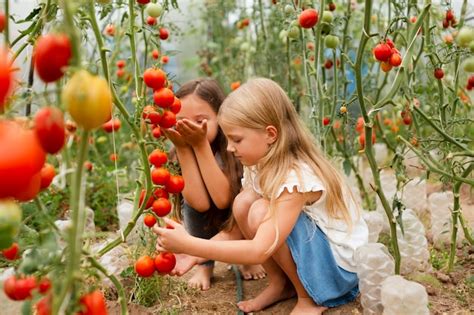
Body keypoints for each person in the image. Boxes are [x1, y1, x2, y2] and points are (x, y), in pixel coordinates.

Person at [155, 78, 369, 314]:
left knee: (260, 211)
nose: (229, 148)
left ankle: (309, 299)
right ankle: (281, 285)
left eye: (236, 140)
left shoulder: (296, 178)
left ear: (270, 134)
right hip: (317, 257)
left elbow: (259, 250)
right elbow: (236, 230)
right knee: (244, 203)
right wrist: (195, 254)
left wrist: (190, 243)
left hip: (337, 272)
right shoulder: (261, 164)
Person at [164, 78, 266, 290]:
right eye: (181, 120)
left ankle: (247, 258)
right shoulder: (179, 149)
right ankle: (205, 265)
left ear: (220, 118)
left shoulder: (233, 149)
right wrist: (184, 149)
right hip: (206, 221)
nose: (190, 127)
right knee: (190, 205)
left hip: (234, 217)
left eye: (201, 120)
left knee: (242, 203)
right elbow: (198, 204)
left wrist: (200, 144)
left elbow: (222, 200)